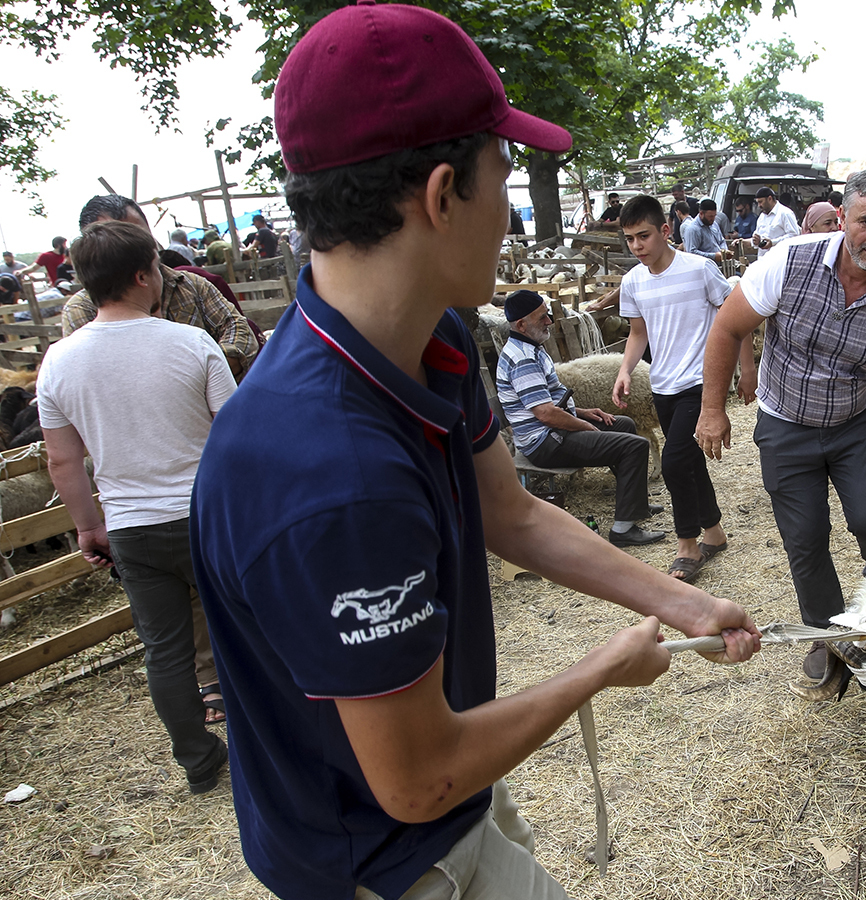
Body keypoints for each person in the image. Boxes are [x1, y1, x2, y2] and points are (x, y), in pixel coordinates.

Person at [191, 7, 758, 899]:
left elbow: (508, 507)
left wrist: (682, 601)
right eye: (505, 175)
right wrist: (604, 668)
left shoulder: (428, 338)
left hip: (452, 788)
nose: (512, 209)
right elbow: (417, 780)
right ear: (443, 194)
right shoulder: (332, 473)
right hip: (385, 857)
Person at [698, 167, 866, 680]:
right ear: (842, 216)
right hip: (785, 425)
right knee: (806, 537)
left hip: (855, 425)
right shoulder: (788, 262)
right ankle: (828, 636)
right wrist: (712, 409)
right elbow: (728, 327)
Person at [39, 220, 235, 794]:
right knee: (240, 628)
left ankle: (199, 760)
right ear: (143, 274)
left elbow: (63, 463)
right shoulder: (190, 344)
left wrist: (88, 527)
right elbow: (233, 433)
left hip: (132, 527)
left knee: (165, 649)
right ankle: (268, 733)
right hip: (206, 515)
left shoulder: (58, 361)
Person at [616, 195, 753, 581]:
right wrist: (626, 370)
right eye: (629, 239)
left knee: (675, 461)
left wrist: (747, 369)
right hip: (663, 385)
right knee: (691, 463)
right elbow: (638, 333)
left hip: (702, 382)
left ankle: (687, 544)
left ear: (664, 230)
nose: (637, 246)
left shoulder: (700, 269)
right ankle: (714, 532)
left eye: (643, 236)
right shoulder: (632, 282)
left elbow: (737, 318)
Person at [498, 290, 666, 546]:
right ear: (521, 324)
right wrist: (583, 425)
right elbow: (544, 413)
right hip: (544, 443)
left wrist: (585, 413)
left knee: (625, 424)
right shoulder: (523, 359)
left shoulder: (531, 348)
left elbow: (546, 403)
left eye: (548, 315)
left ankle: (635, 504)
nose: (549, 322)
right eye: (542, 318)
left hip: (553, 431)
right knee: (635, 446)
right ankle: (623, 529)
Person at [61, 195, 260, 381]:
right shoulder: (82, 310)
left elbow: (237, 328)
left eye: (136, 234)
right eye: (112, 240)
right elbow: (95, 378)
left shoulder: (192, 284)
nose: (130, 247)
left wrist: (202, 377)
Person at [750, 186, 799, 256]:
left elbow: (794, 236)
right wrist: (756, 241)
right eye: (758, 202)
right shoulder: (762, 216)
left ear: (770, 198)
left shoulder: (785, 213)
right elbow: (758, 236)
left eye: (761, 202)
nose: (759, 205)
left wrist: (773, 243)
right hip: (763, 260)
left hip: (780, 260)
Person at [681, 198, 732, 265]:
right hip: (704, 268)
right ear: (701, 213)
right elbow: (692, 253)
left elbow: (721, 240)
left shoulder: (714, 224)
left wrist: (724, 251)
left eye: (714, 216)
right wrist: (713, 256)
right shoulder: (693, 229)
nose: (713, 219)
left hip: (720, 265)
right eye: (710, 216)